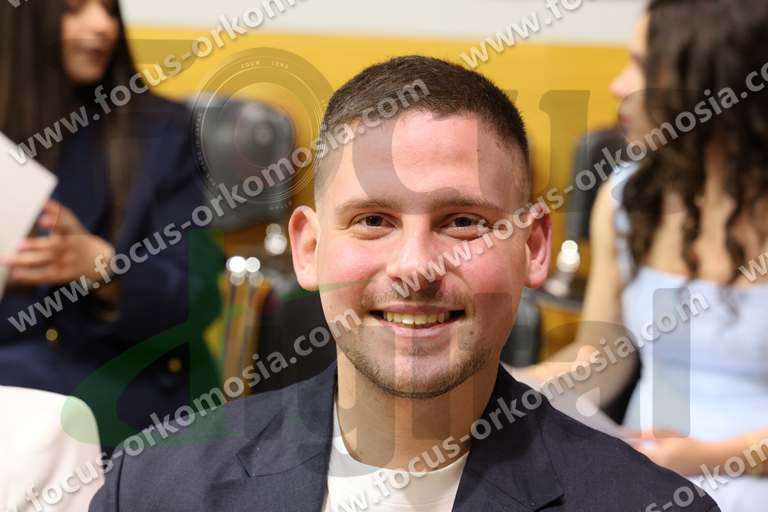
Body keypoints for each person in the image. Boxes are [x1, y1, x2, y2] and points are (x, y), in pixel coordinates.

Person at [88, 56, 718, 511]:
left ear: (533, 248)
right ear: (308, 249)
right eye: (373, 221)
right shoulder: (152, 488)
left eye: (463, 221)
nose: (415, 266)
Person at [519, 0, 768, 508]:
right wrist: (512, 387)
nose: (618, 86)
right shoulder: (625, 197)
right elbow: (601, 357)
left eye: (641, 66)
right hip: (646, 477)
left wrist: (710, 457)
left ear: (711, 83)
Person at [0, 0, 221, 447]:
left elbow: (199, 298)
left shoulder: (162, 131)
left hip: (126, 393)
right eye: (74, 8)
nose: (102, 25)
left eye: (109, 8)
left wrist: (104, 268)